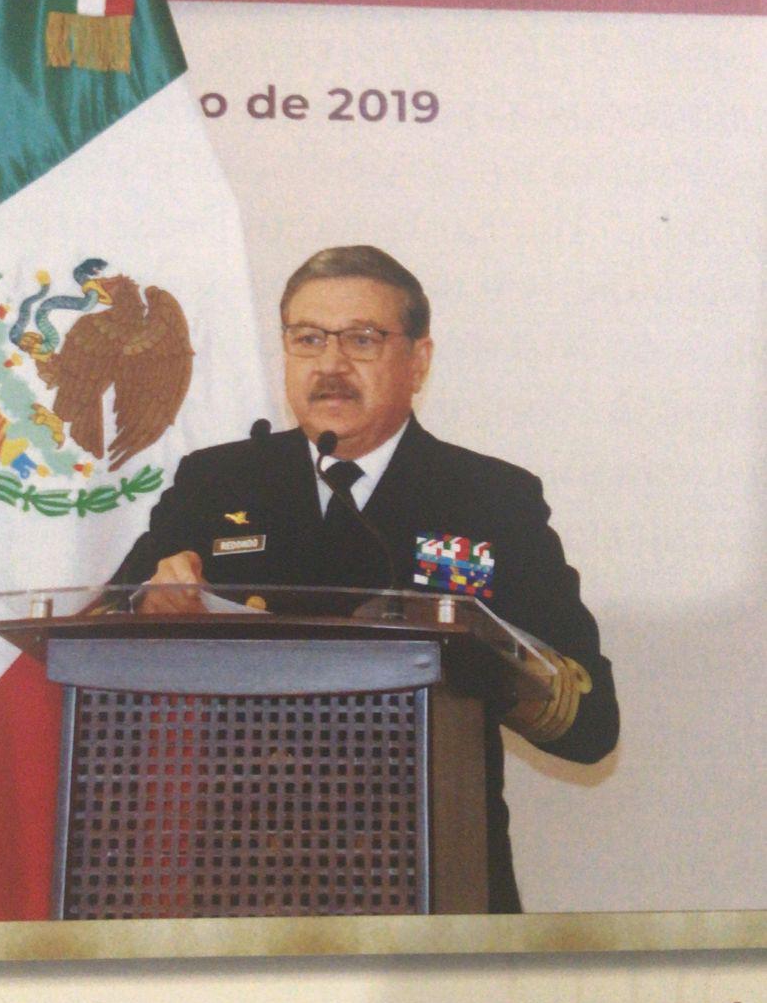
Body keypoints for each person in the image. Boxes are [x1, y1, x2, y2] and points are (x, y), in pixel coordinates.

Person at [110, 245, 618, 911]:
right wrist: (148, 607)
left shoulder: (489, 497)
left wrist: (482, 654)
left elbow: (590, 726)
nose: (330, 365)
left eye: (362, 339)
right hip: (244, 885)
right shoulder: (219, 482)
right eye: (308, 339)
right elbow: (106, 623)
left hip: (432, 879)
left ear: (418, 361)